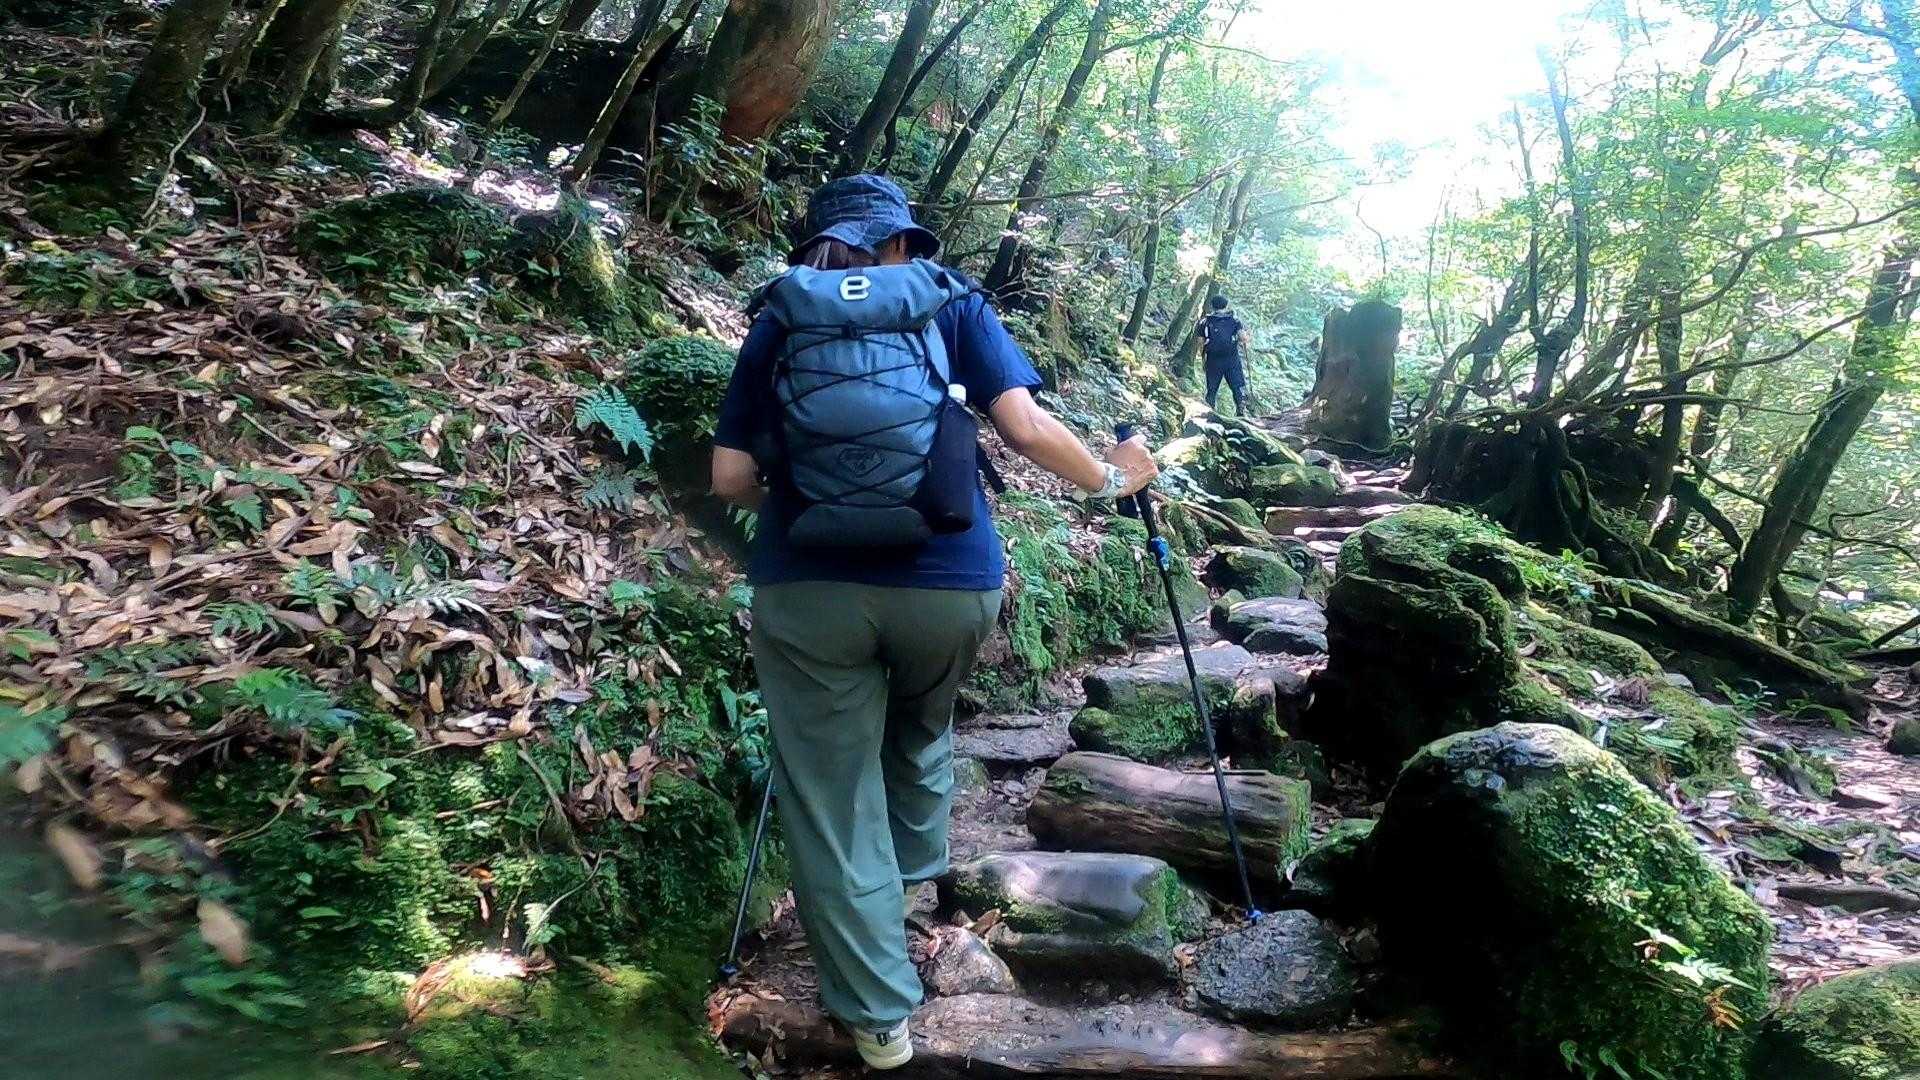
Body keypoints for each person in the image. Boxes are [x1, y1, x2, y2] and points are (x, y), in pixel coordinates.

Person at [709, 174, 1157, 1071]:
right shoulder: (953, 300)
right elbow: (1025, 428)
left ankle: (879, 1020)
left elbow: (729, 480)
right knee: (921, 723)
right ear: (901, 241)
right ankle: (914, 884)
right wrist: (1113, 479)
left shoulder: (779, 317)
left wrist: (805, 504)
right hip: (950, 581)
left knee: (833, 802)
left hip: (809, 587)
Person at [1198, 293, 1251, 415]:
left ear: (1212, 306)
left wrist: (1203, 357)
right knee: (1237, 386)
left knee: (1212, 389)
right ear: (1226, 306)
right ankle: (1240, 411)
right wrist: (1248, 336)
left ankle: (1209, 412)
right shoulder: (1234, 320)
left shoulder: (1205, 321)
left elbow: (1200, 342)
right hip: (1231, 359)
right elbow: (1243, 338)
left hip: (1213, 359)